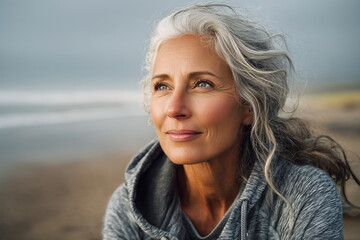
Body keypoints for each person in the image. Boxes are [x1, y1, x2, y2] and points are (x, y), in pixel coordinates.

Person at [103, 4, 359, 240]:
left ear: (250, 105)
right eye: (162, 86)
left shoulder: (303, 197)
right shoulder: (129, 209)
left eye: (202, 84)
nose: (173, 108)